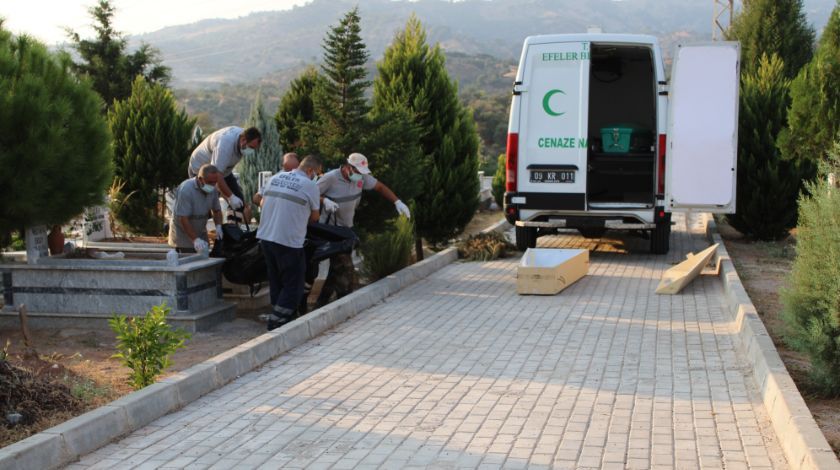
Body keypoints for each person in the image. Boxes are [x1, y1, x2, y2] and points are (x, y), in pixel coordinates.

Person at [316, 152, 411, 306]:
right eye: (358, 172)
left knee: (336, 269)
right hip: (330, 229)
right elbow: (310, 192)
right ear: (348, 167)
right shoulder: (330, 178)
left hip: (347, 229)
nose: (360, 176)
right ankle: (344, 303)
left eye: (362, 173)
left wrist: (397, 202)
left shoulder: (361, 178)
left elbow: (379, 187)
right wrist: (324, 200)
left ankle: (321, 304)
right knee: (346, 268)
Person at [256, 155, 322, 330]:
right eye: (316, 173)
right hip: (289, 241)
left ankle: (281, 318)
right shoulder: (310, 185)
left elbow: (261, 202)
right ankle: (276, 321)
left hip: (266, 237)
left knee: (276, 279)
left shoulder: (275, 178)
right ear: (310, 170)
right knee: (294, 284)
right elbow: (315, 217)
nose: (316, 176)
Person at [188, 126, 262, 221]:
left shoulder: (242, 140)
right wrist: (230, 197)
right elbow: (216, 177)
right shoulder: (225, 146)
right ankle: (204, 232)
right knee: (204, 206)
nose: (251, 151)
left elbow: (220, 174)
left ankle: (233, 232)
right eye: (251, 147)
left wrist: (232, 197)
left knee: (240, 205)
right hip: (200, 170)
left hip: (222, 170)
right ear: (243, 140)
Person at [168, 164, 224, 253]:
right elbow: (183, 219)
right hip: (183, 233)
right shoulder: (186, 190)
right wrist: (195, 240)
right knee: (187, 258)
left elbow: (216, 210)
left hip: (200, 230)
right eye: (210, 182)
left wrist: (218, 226)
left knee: (204, 257)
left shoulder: (212, 189)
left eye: (215, 182)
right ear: (200, 179)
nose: (213, 185)